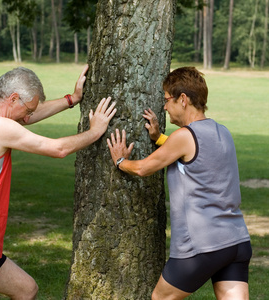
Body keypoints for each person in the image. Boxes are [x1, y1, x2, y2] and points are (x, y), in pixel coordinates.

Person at [0, 65, 116, 300]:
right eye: (27, 109)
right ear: (13, 98)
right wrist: (95, 131)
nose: (27, 117)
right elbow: (58, 149)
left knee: (25, 289)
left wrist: (72, 99)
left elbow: (25, 119)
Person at [107, 67, 251, 300]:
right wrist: (158, 138)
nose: (164, 107)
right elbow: (194, 155)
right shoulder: (222, 132)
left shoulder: (184, 136)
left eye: (166, 99)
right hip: (236, 241)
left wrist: (121, 161)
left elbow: (143, 168)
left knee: (161, 298)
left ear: (182, 99)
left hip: (202, 245)